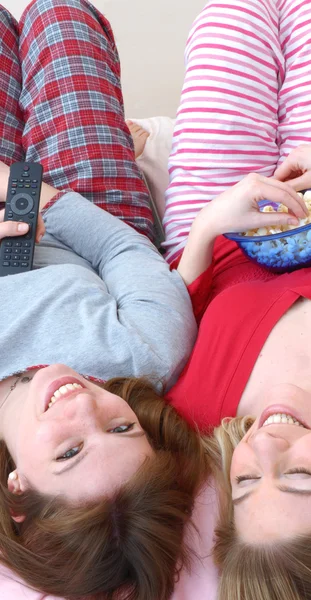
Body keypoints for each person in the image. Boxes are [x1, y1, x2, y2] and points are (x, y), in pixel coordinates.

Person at [161, 0, 311, 599]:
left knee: (228, 18)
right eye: (297, 474)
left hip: (217, 221)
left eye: (243, 483)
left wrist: (209, 226)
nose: (262, 443)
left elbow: (167, 316)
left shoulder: (199, 413)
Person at [0, 0, 198, 597]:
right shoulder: (145, 357)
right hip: (82, 209)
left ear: (17, 492)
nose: (85, 407)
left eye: (68, 452)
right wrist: (32, 192)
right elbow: (127, 253)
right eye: (121, 432)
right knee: (60, 15)